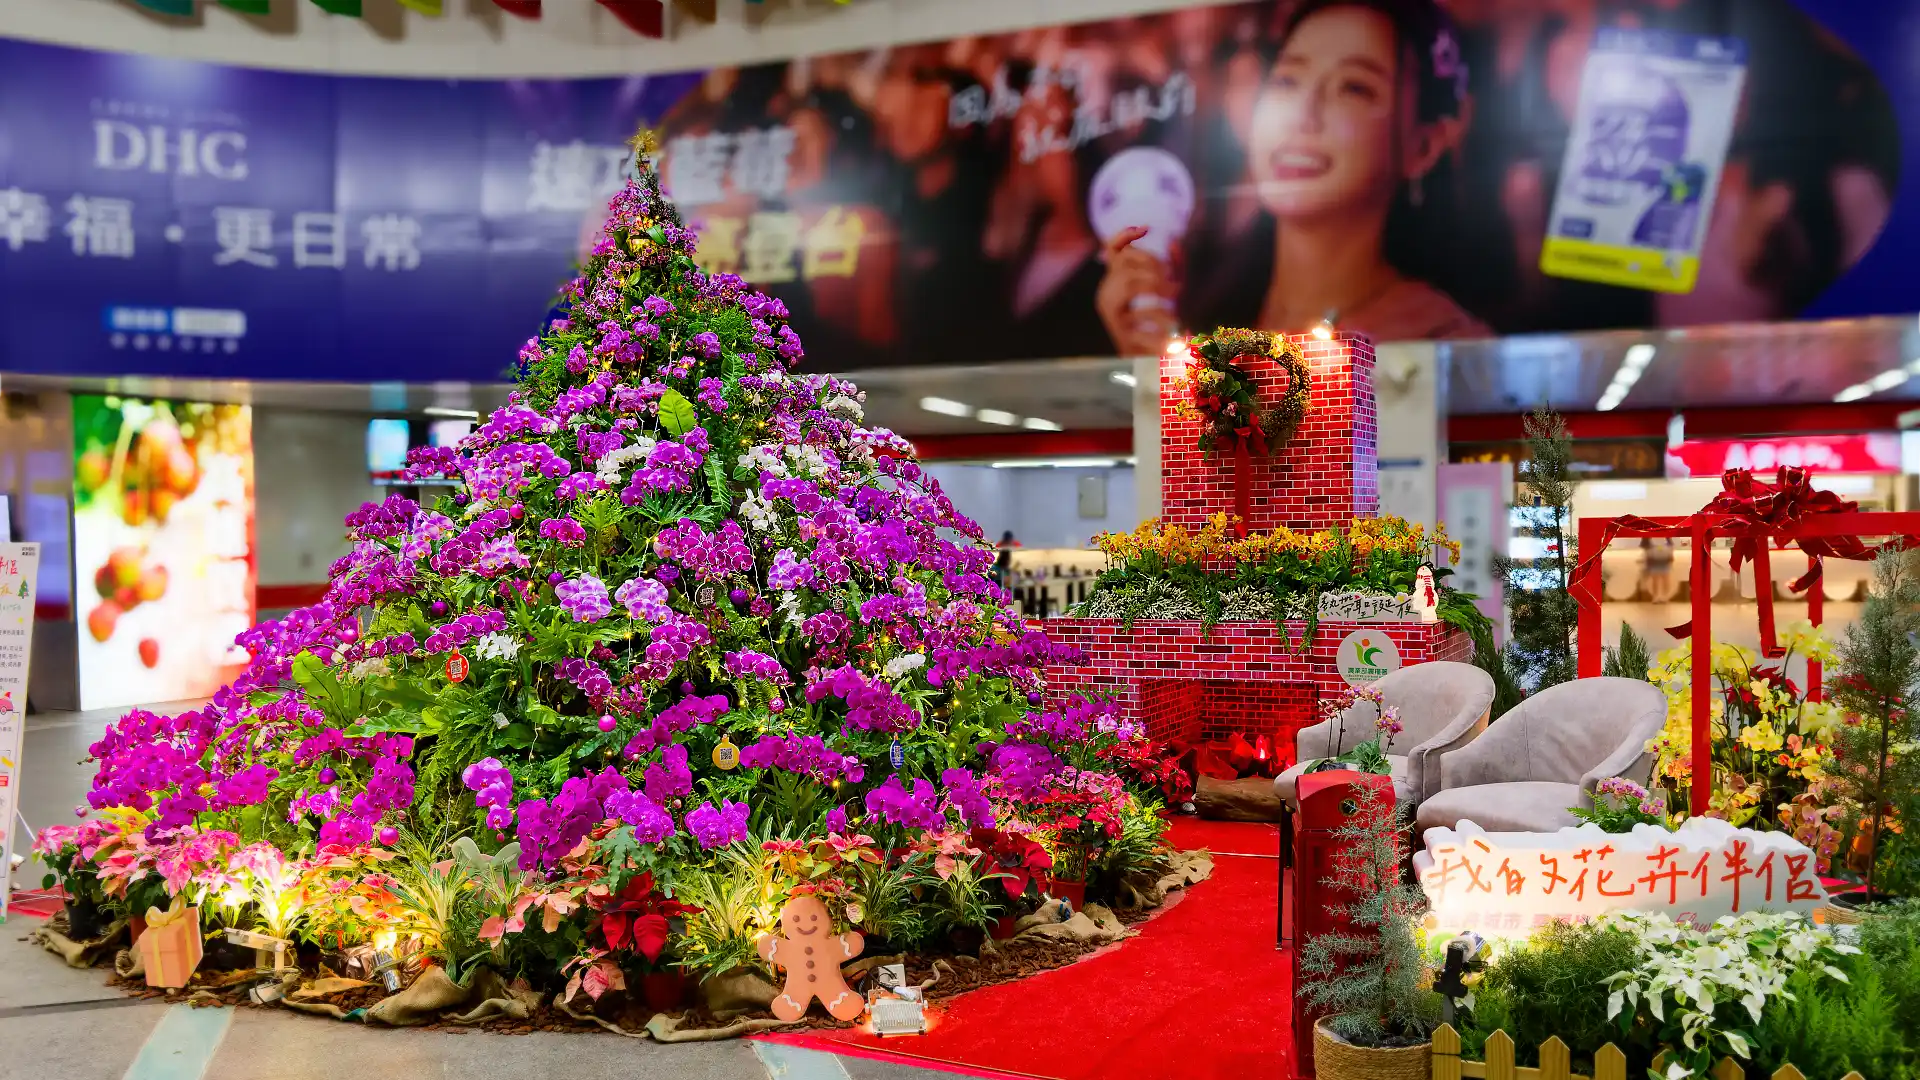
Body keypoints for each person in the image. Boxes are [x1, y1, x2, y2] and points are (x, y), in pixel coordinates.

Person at [1095, 0, 1490, 350]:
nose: (1303, 115)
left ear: (1422, 146)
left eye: (1353, 88)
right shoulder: (1206, 321)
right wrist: (1148, 363)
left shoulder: (1444, 342)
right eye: (1287, 81)